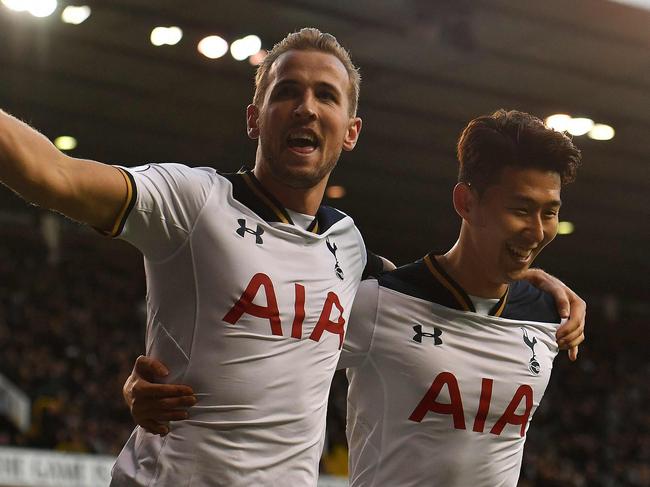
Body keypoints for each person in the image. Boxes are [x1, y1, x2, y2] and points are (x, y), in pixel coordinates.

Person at [1, 26, 583, 486]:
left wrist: (531, 273)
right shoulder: (192, 201)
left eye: (325, 95)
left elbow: (443, 284)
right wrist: (129, 388)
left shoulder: (348, 249)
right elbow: (53, 174)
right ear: (255, 117)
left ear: (351, 131)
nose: (306, 107)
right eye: (286, 92)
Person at [340, 109, 582, 486]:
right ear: (466, 202)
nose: (537, 232)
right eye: (521, 209)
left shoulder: (548, 315)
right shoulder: (376, 302)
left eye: (549, 212)